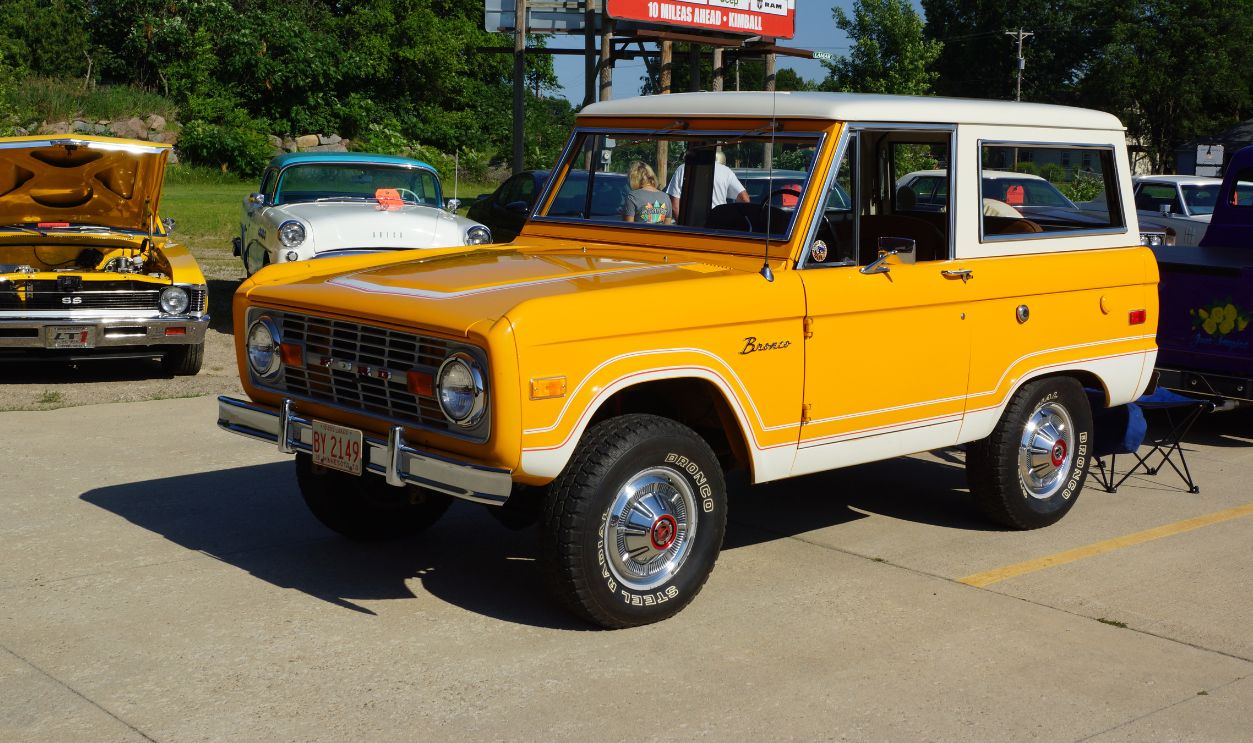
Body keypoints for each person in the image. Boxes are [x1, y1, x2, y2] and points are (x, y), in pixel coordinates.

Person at [665, 150, 749, 218]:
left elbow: (675, 207)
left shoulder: (683, 169)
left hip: (691, 225)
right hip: (718, 226)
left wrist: (684, 228)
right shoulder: (726, 171)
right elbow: (745, 199)